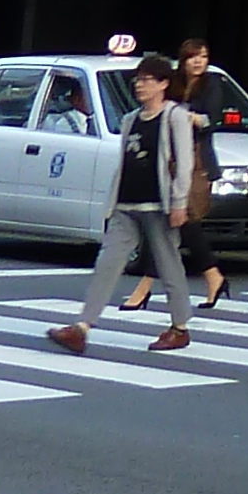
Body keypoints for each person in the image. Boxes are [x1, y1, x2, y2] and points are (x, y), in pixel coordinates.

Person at [47, 55, 195, 355]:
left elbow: (185, 162)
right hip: (126, 205)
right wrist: (111, 203)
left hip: (159, 205)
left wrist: (179, 202)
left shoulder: (174, 116)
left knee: (169, 267)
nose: (140, 86)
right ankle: (82, 327)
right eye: (138, 80)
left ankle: (180, 327)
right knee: (107, 264)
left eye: (147, 80)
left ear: (163, 84)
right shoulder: (130, 120)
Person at [135, 33, 241, 316]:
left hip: (195, 164)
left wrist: (179, 114)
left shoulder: (213, 84)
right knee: (174, 226)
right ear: (183, 60)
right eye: (194, 57)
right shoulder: (173, 84)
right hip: (167, 160)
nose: (199, 62)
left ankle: (145, 288)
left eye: (204, 57)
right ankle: (213, 278)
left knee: (179, 223)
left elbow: (209, 121)